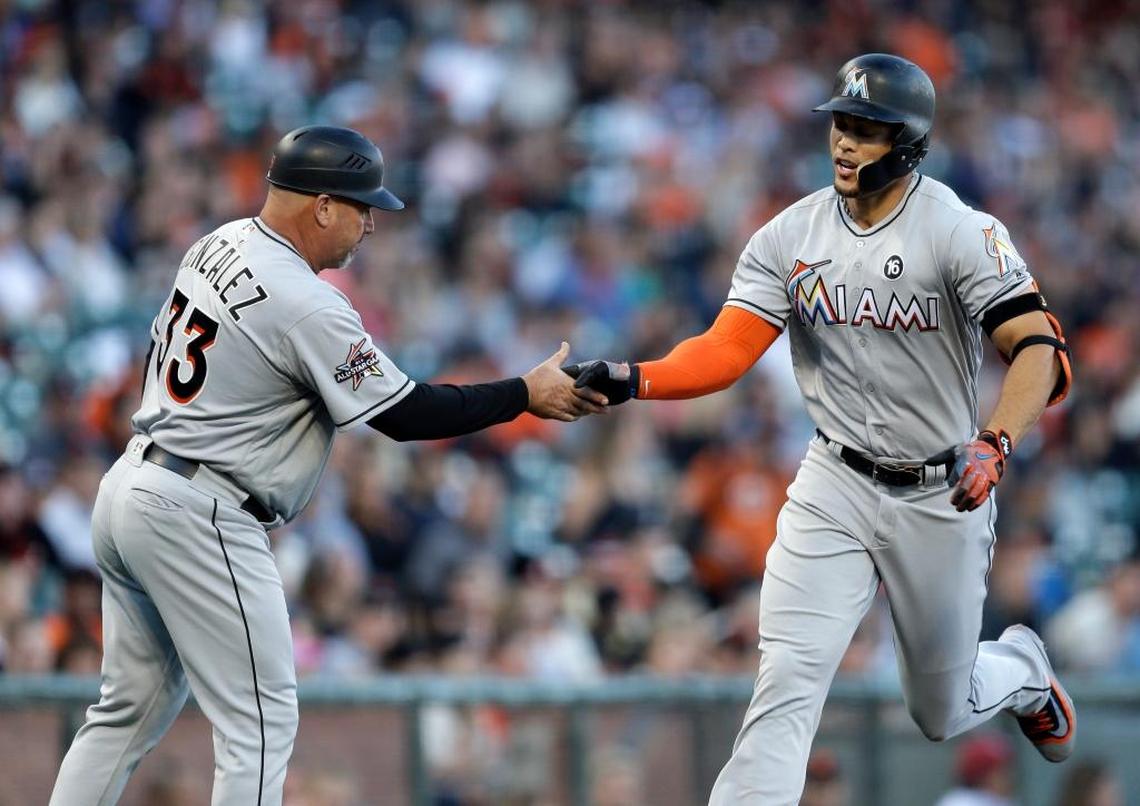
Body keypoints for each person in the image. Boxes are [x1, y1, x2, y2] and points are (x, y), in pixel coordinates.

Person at [567, 53, 1076, 804]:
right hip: (834, 480)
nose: (844, 141)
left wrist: (995, 441)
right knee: (788, 679)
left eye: (866, 129)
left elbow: (1041, 352)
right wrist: (639, 378)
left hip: (942, 489)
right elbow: (727, 350)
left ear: (907, 143)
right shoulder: (791, 234)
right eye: (841, 122)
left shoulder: (960, 230)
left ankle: (1025, 670)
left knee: (941, 708)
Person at [49, 125, 606, 806]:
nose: (370, 224)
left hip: (135, 480)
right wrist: (523, 393)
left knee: (127, 710)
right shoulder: (306, 301)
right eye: (361, 206)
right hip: (202, 507)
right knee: (260, 722)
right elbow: (405, 415)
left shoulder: (216, 241)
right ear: (320, 204)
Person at [934, 733, 1017, 806]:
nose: (1008, 776)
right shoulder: (960, 802)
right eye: (1000, 771)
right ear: (981, 775)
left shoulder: (1000, 800)